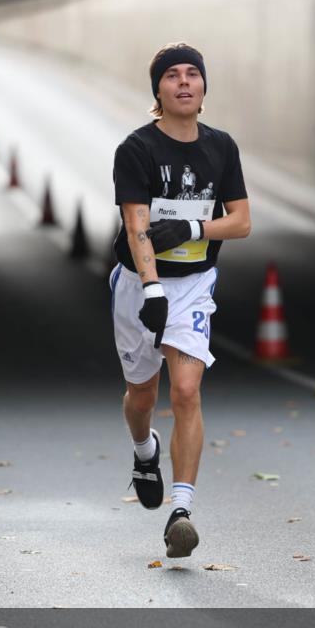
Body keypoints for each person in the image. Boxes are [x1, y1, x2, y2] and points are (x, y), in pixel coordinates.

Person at [110, 42, 251, 558]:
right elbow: (136, 225)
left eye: (194, 74)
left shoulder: (221, 148)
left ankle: (181, 511)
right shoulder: (137, 149)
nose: (185, 82)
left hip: (193, 282)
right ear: (158, 91)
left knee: (186, 390)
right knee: (142, 394)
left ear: (204, 88)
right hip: (138, 282)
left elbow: (241, 221)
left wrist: (193, 226)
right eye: (173, 76)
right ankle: (144, 452)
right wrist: (149, 287)